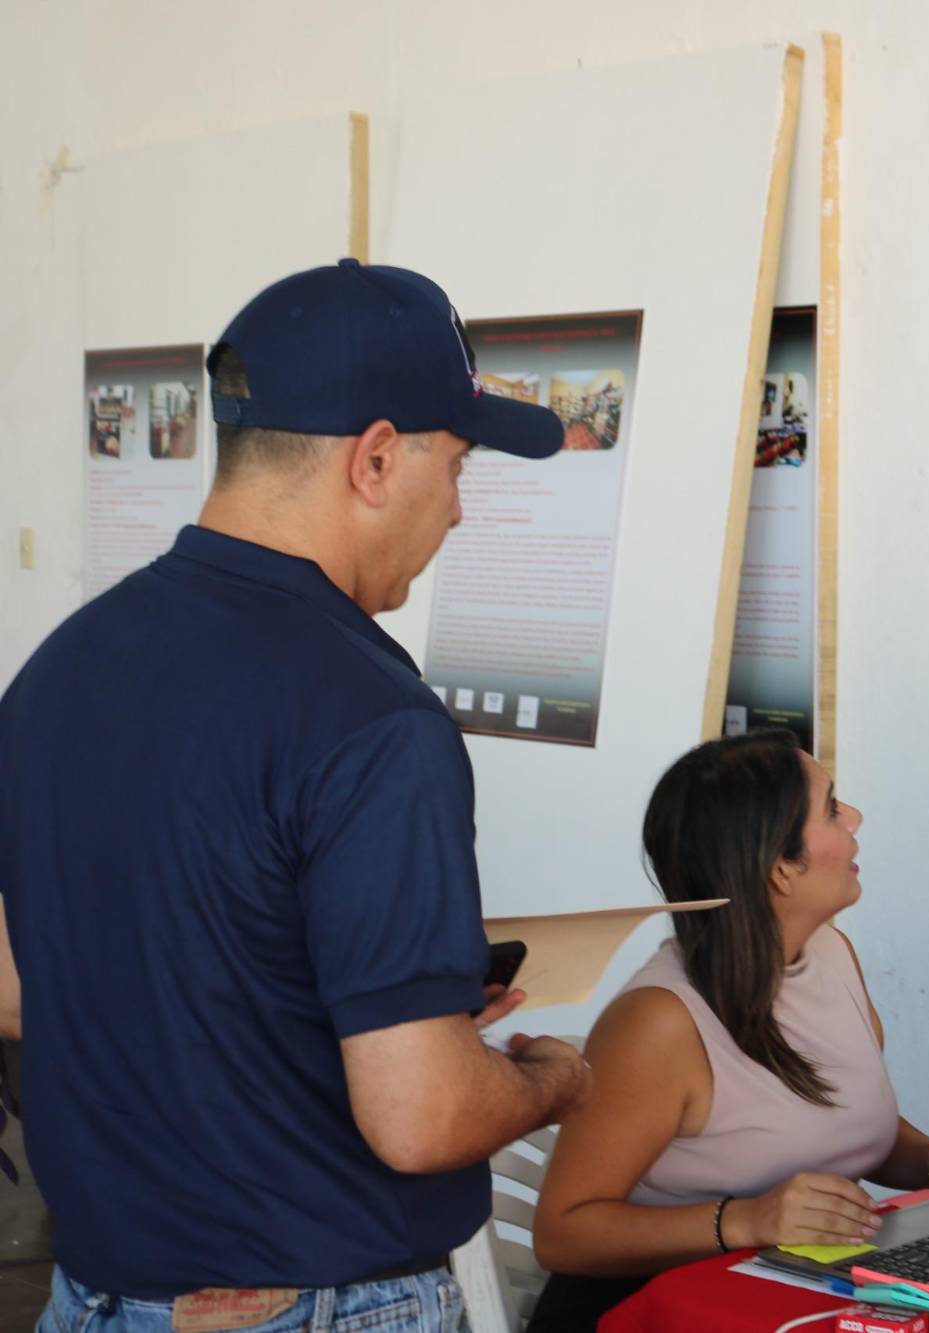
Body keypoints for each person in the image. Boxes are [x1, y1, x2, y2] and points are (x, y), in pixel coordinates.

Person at [0, 259, 592, 1332]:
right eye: (457, 464)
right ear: (374, 459)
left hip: (92, 1300)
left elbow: (15, 986)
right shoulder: (374, 720)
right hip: (319, 1302)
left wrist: (300, 1011)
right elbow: (420, 1118)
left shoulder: (57, 671)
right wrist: (547, 1083)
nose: (458, 509)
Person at [527, 731, 929, 1331]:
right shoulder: (658, 1022)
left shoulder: (831, 953)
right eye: (833, 807)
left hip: (786, 1295)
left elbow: (844, 1127)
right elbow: (563, 1234)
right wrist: (743, 1220)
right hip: (650, 1311)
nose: (856, 818)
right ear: (780, 867)